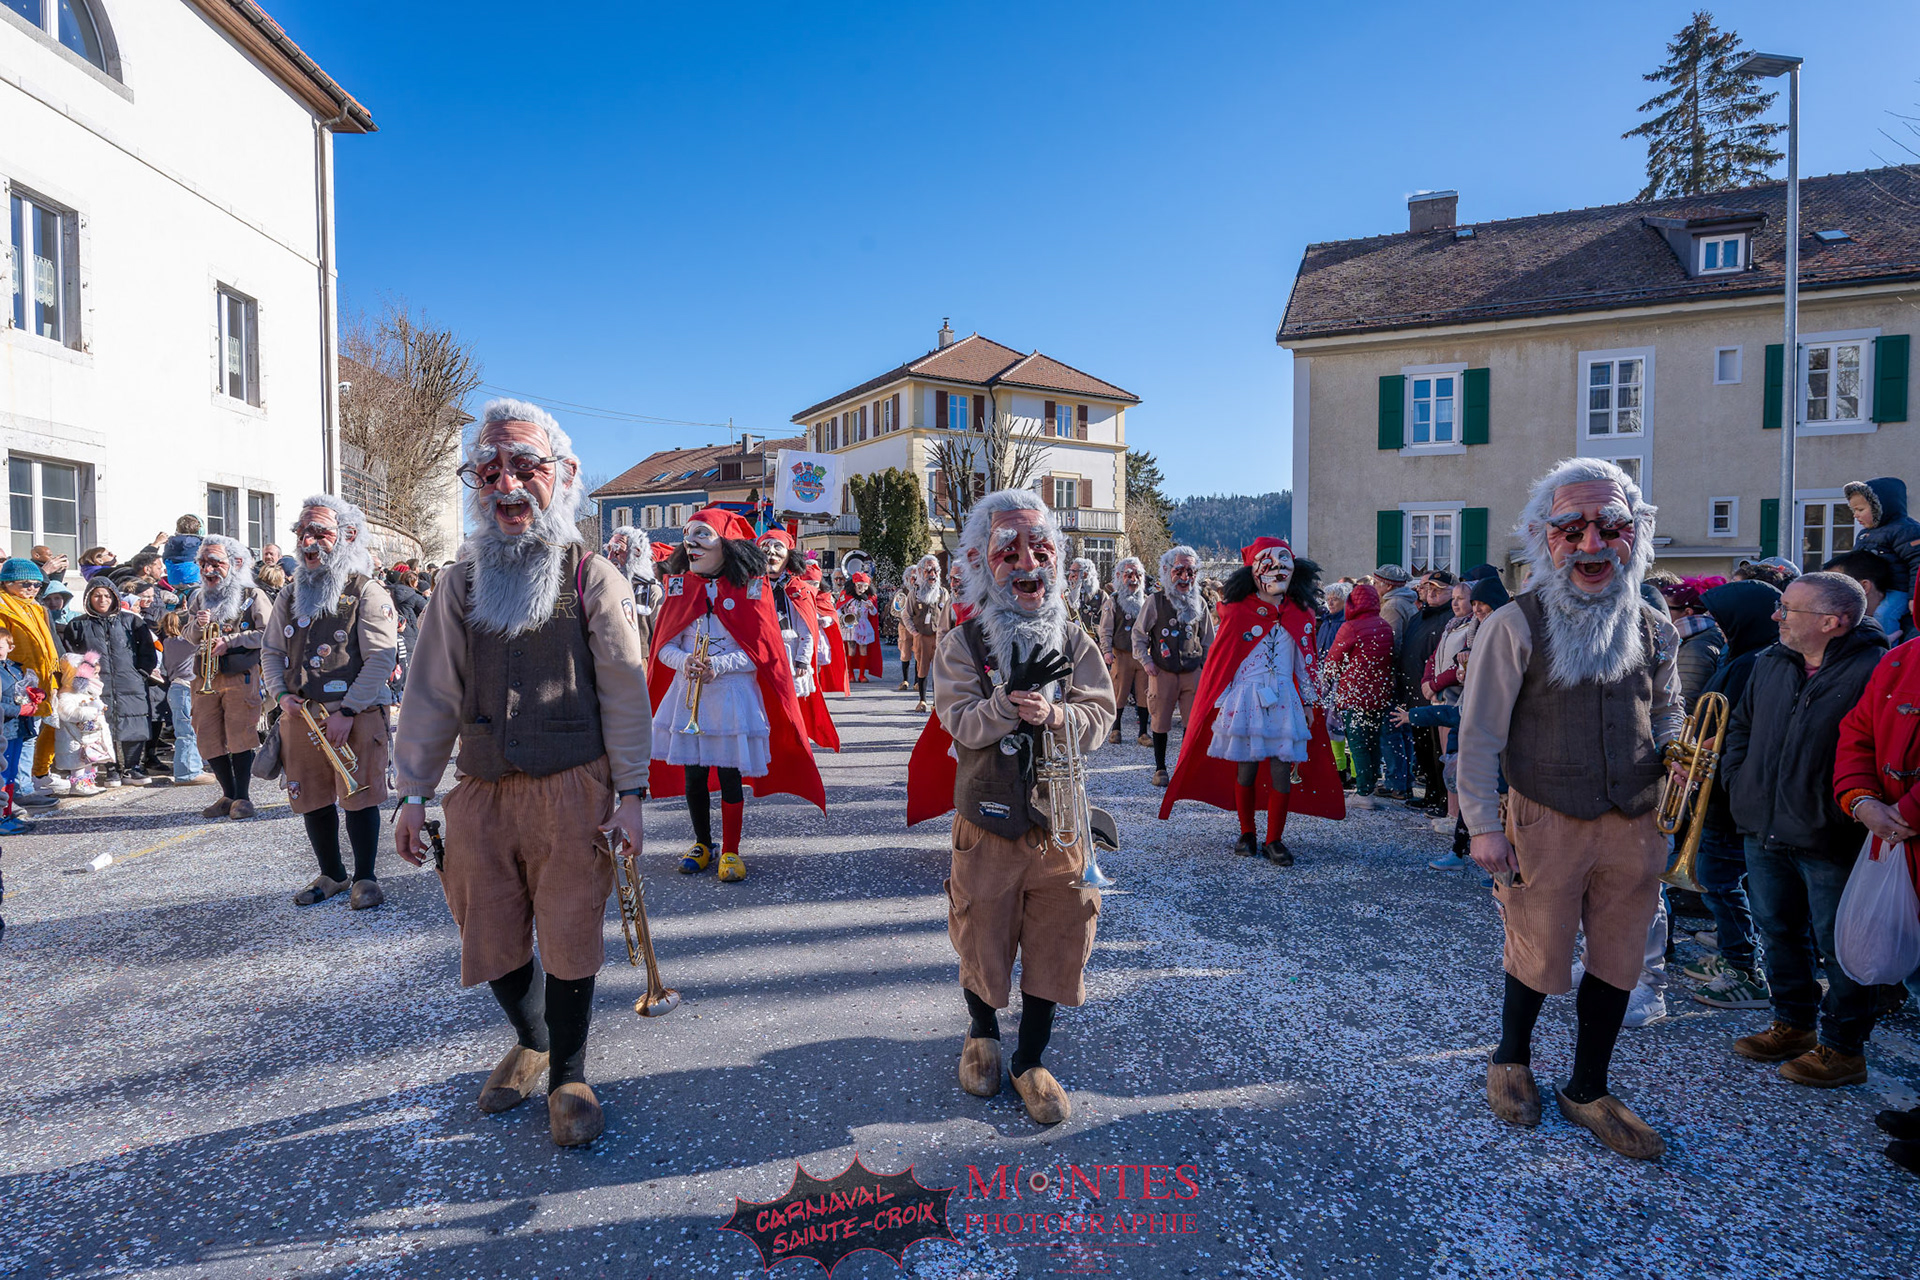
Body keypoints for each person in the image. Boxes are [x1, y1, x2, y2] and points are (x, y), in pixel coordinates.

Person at [393, 398, 651, 1149]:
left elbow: (625, 691)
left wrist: (632, 794)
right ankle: (533, 1038)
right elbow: (431, 692)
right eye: (489, 470)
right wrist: (412, 794)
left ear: (563, 475)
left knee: (569, 934)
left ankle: (569, 1073)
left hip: (575, 787)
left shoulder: (593, 576)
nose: (506, 484)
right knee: (488, 932)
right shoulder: (459, 582)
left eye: (524, 466)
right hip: (480, 789)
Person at [1458, 457, 1682, 1161]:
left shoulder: (1655, 626)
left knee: (1620, 958)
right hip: (1545, 816)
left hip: (1635, 820)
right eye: (1571, 528)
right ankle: (1511, 1058)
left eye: (1611, 527)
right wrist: (1483, 826)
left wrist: (1678, 752)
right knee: (1537, 947)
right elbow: (1480, 733)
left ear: (1636, 535)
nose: (1592, 544)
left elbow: (1666, 710)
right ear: (1542, 537)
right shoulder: (1514, 625)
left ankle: (1588, 1088)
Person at [903, 489, 1115, 1125]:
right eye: (1009, 550)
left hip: (1061, 824)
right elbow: (959, 721)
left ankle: (1030, 1058)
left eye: (1041, 548)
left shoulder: (1074, 639)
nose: (1028, 562)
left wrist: (1057, 715)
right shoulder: (961, 643)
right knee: (982, 931)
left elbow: (1101, 714)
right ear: (979, 561)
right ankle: (982, 1034)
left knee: (1060, 934)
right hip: (987, 822)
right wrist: (1004, 705)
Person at [1721, 571, 1888, 1088]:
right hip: (1763, 824)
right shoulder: (1771, 660)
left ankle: (1843, 1049)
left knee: (1842, 945)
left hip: (1830, 832)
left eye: (1788, 609)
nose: (1777, 616)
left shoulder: (1875, 669)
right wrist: (1738, 782)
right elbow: (1741, 726)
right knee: (1777, 930)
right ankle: (1793, 1025)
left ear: (1832, 622)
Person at [649, 508, 824, 884]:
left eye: (702, 534)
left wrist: (718, 665)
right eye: (687, 534)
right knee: (694, 776)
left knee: (730, 777)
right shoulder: (679, 588)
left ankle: (731, 849)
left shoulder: (753, 589)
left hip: (731, 699)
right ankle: (702, 843)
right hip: (689, 696)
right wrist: (684, 661)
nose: (690, 542)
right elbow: (663, 646)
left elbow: (762, 653)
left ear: (725, 544)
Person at [1160, 538, 1344, 863]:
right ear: (1254, 572)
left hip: (1284, 699)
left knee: (1281, 770)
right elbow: (1225, 660)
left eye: (1283, 566)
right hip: (1246, 698)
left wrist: (1308, 702)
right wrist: (1218, 702)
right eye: (1269, 565)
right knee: (1246, 768)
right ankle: (1247, 832)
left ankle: (1275, 839)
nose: (1277, 572)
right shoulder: (1237, 611)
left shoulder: (1300, 613)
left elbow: (1305, 662)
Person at [263, 495, 400, 906]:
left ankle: (365, 878)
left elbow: (381, 658)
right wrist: (280, 694)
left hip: (356, 714)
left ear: (348, 536)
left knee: (359, 796)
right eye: (302, 532)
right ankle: (333, 874)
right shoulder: (288, 594)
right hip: (301, 715)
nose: (309, 541)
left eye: (320, 532)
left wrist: (349, 710)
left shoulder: (367, 591)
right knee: (312, 797)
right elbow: (271, 650)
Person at [1833, 568, 1920, 1173]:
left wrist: (1907, 812)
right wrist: (1862, 800)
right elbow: (1857, 732)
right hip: (1895, 838)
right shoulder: (1902, 657)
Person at [1676, 577, 1782, 1011]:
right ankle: (1734, 957)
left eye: (1723, 619)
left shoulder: (1750, 662)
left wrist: (1695, 760)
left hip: (1725, 791)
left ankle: (1743, 968)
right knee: (1719, 880)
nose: (1717, 627)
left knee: (1719, 881)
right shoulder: (1742, 655)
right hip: (1720, 786)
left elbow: (1731, 727)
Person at [182, 536, 271, 816]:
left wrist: (231, 641)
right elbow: (188, 635)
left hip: (239, 674)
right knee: (206, 734)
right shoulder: (198, 596)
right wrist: (198, 626)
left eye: (215, 563)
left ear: (236, 563)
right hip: (204, 675)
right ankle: (227, 794)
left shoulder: (252, 595)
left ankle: (242, 797)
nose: (207, 570)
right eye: (202, 563)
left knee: (240, 735)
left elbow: (268, 633)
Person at [62, 579, 157, 787]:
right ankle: (111, 768)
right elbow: (71, 655)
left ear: (114, 597)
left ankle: (132, 767)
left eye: (107, 595)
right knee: (100, 726)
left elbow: (147, 650)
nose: (102, 600)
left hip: (130, 682)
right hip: (96, 685)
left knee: (135, 723)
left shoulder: (131, 621)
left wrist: (140, 673)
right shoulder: (78, 625)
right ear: (88, 598)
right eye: (97, 595)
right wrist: (85, 679)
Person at [1135, 545, 1215, 787]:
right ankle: (1160, 769)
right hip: (1163, 671)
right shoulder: (1155, 601)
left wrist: (1205, 669)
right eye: (1179, 571)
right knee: (1160, 721)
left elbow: (1208, 640)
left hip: (1192, 672)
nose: (1185, 577)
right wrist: (1146, 661)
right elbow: (1138, 635)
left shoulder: (1199, 602)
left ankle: (1186, 769)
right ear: (1167, 571)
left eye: (1190, 572)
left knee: (1193, 723)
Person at [757, 528, 838, 751]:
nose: (771, 552)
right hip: (760, 655)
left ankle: (791, 748)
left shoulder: (799, 589)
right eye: (765, 547)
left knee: (790, 709)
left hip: (789, 655)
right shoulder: (750, 586)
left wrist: (803, 659)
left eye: (778, 547)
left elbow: (807, 628)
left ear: (789, 555)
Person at [1320, 581, 1395, 808]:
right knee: (1373, 742)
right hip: (1379, 694)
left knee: (1358, 743)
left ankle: (1363, 793)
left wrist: (1328, 679)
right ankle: (1370, 785)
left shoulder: (1351, 627)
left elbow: (1332, 661)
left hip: (1355, 694)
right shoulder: (1383, 625)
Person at [0, 559, 61, 806]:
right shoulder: (3, 607)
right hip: (11, 681)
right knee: (10, 739)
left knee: (29, 735)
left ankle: (23, 788)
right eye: (26, 584)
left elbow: (48, 644)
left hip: (36, 681)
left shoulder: (36, 608)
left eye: (37, 584)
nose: (33, 588)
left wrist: (53, 677)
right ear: (7, 583)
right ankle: (11, 792)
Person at [1845, 478, 1920, 637]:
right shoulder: (1864, 534)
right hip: (1875, 590)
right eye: (1853, 510)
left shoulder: (1906, 530)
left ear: (1881, 508)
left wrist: (1914, 597)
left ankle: (1887, 646)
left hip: (1899, 590)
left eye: (1860, 509)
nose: (1855, 515)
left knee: (1884, 614)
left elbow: (1917, 563)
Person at [1098, 557, 1153, 748]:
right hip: (1121, 654)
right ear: (1120, 576)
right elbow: (1105, 629)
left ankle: (1143, 733)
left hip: (1143, 655)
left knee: (1144, 693)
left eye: (1138, 574)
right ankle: (1116, 729)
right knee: (1119, 692)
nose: (1133, 579)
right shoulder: (1113, 601)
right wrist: (1107, 651)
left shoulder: (1147, 601)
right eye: (1128, 574)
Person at [155, 611, 214, 785]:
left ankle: (195, 767)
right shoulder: (184, 642)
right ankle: (187, 772)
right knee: (187, 732)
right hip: (184, 689)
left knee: (189, 731)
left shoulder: (169, 641)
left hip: (179, 688)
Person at [900, 553, 948, 714]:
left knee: (939, 670)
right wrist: (914, 633)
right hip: (922, 637)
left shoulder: (943, 593)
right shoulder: (914, 593)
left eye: (935, 570)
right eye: (928, 571)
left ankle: (937, 702)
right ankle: (922, 700)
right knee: (922, 668)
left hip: (939, 637)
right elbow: (906, 615)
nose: (932, 575)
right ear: (921, 572)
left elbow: (949, 614)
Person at [605, 524, 662, 653]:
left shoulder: (652, 591)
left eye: (617, 551)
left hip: (640, 661)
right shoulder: (606, 588)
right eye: (609, 551)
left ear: (636, 553)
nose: (610, 557)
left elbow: (661, 637)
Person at [0, 628, 35, 833]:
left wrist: (33, 694)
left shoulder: (13, 669)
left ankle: (7, 813)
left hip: (17, 728)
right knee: (2, 775)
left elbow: (17, 694)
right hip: (4, 729)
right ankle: (1, 818)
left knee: (11, 774)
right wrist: (19, 710)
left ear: (10, 647)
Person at [1063, 557, 1102, 638]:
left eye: (1073, 573)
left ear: (1084, 574)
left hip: (1094, 640)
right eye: (1070, 573)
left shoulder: (1101, 595)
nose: (1070, 578)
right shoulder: (1066, 595)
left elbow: (1107, 623)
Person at [163, 515, 204, 587]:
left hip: (174, 579)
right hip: (194, 578)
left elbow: (165, 558)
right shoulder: (200, 542)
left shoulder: (170, 542)